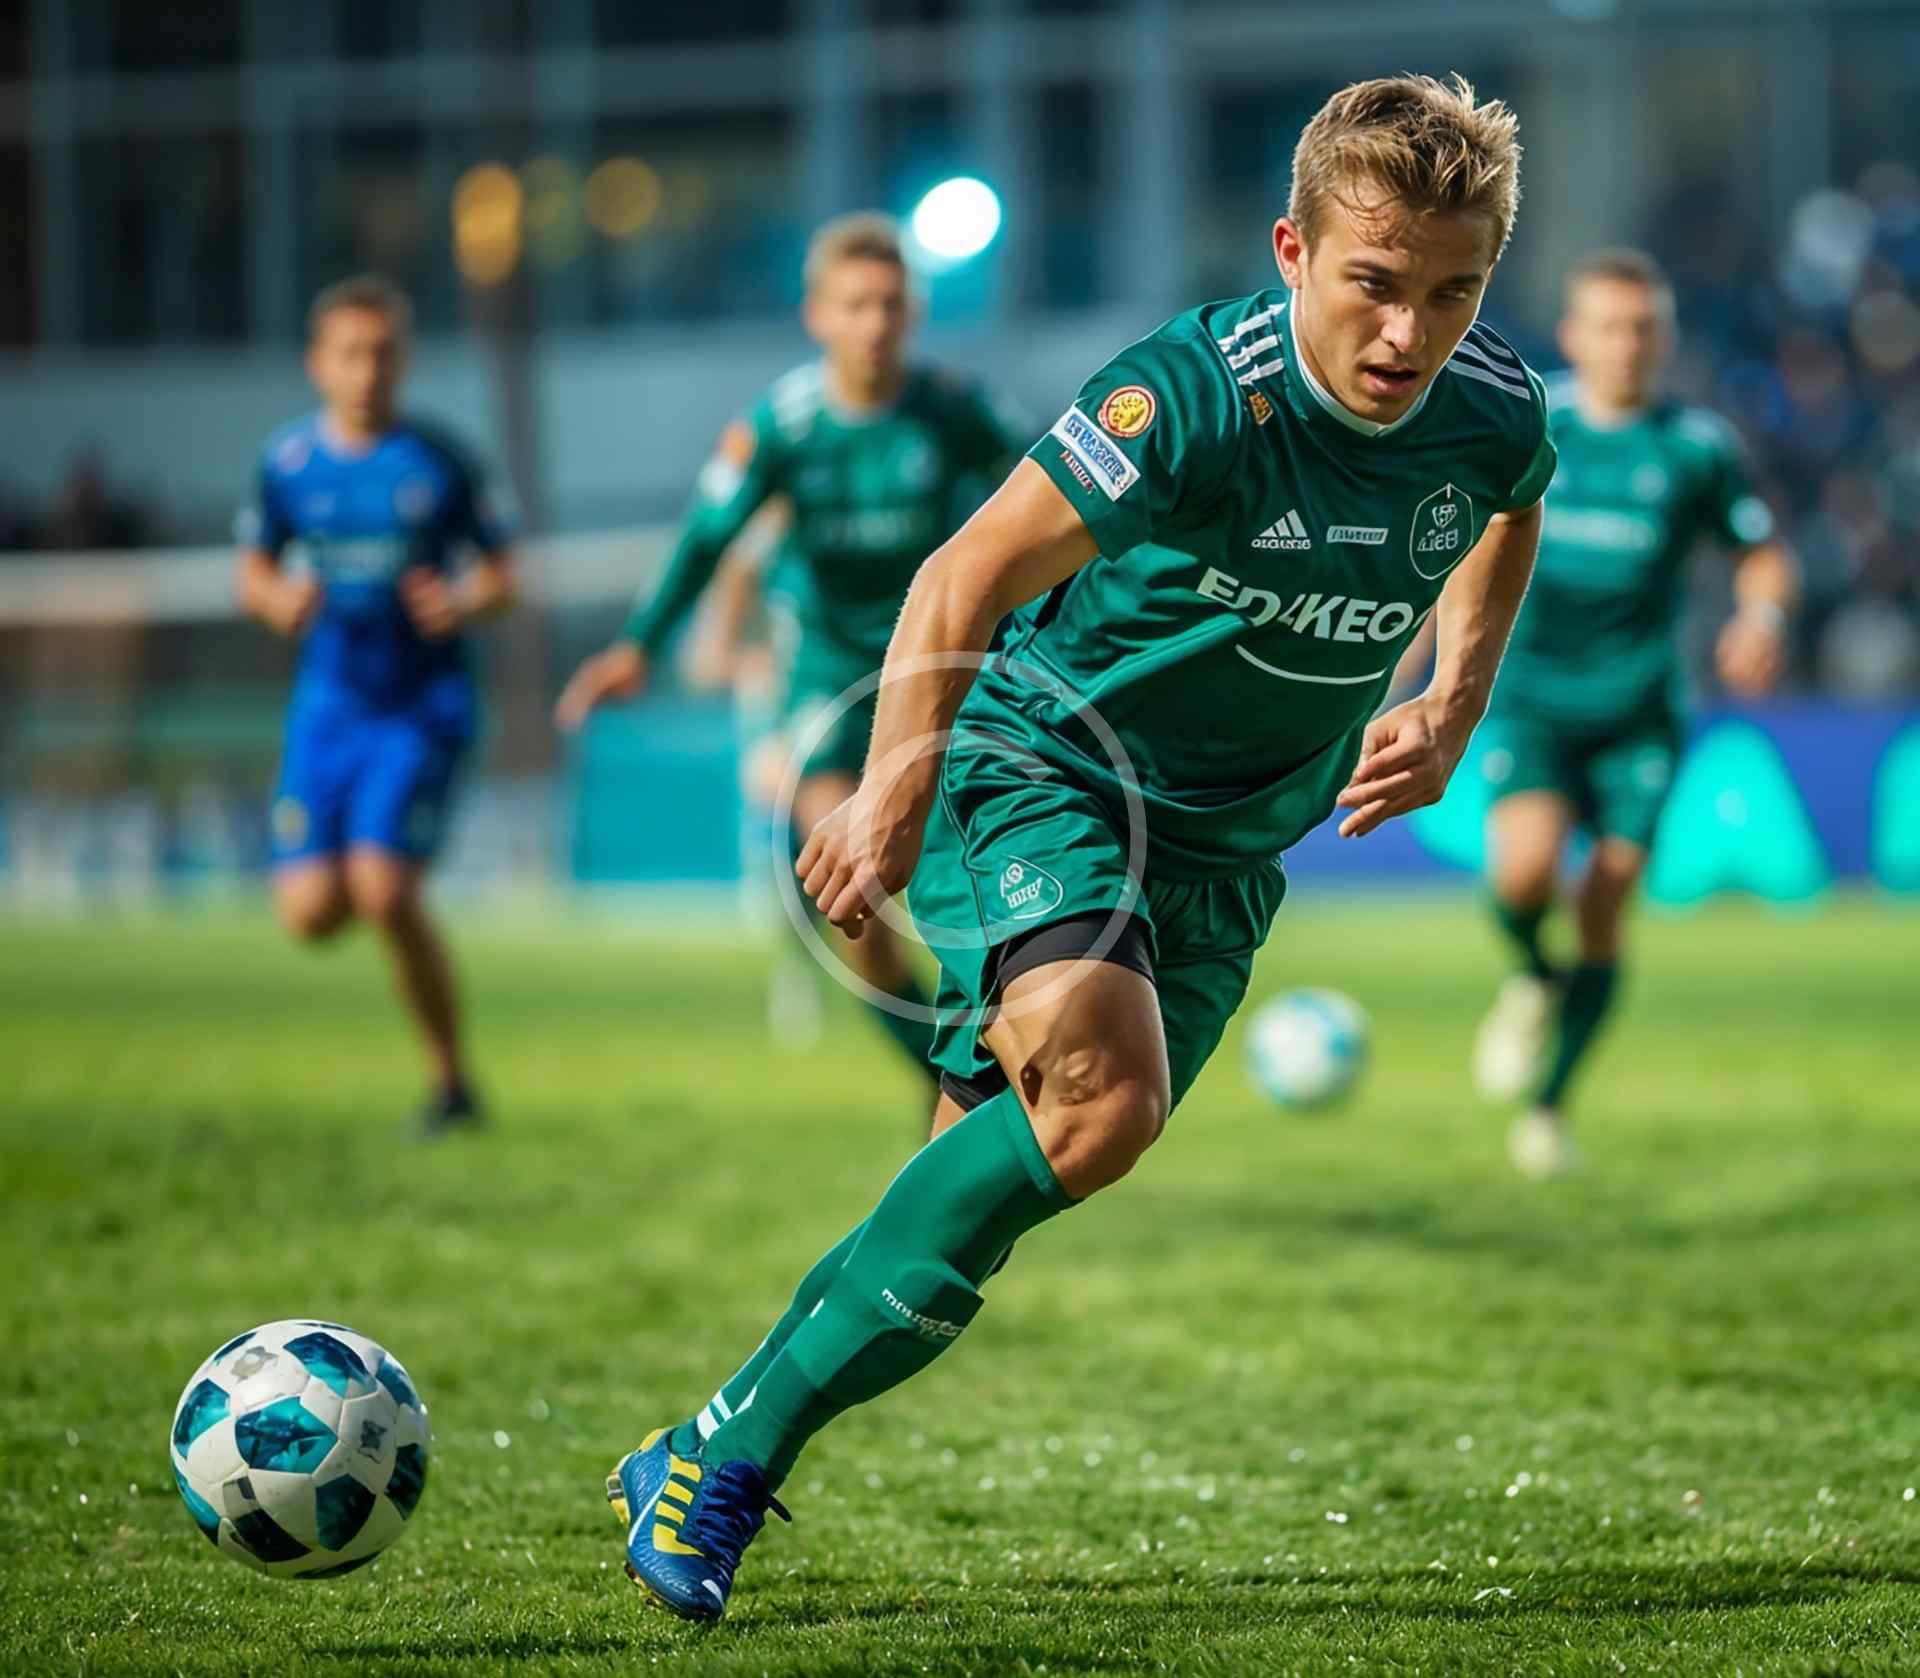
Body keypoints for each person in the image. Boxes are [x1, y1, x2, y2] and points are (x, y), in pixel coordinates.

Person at [601, 75, 1554, 1622]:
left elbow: (1511, 504)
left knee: (963, 1202)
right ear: (1293, 251)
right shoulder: (1194, 398)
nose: (1407, 333)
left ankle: (701, 1444)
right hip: (1050, 768)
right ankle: (731, 1457)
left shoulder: (1493, 405)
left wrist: (1454, 699)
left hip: (1229, 851)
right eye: (1374, 283)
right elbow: (962, 574)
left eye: (1453, 293)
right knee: (1108, 1103)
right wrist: (893, 788)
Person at [556, 213, 1027, 1087]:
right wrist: (637, 646)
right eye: (856, 304)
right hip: (826, 680)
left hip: (938, 671)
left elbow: (1052, 500)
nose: (875, 323)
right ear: (817, 315)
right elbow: (705, 538)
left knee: (965, 878)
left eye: (890, 304)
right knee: (853, 892)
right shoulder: (783, 426)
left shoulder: (953, 410)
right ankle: (945, 1079)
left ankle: (1000, 1048)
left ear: (914, 312)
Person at [1472, 249, 1797, 1178]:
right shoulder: (1537, 424)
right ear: (1574, 335)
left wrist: (1761, 618)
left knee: (1606, 901)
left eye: (1646, 328)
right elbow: (1465, 551)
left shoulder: (1696, 448)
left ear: (1668, 339)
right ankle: (1535, 974)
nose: (1628, 345)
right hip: (1533, 698)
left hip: (1639, 711)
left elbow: (1761, 553)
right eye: (1611, 327)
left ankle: (1547, 1108)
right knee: (1524, 875)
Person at [236, 276, 516, 1136]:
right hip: (327, 711)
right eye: (350, 354)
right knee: (310, 914)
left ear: (406, 361)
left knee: (385, 890)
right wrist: (276, 600)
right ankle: (361, 879)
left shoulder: (439, 461)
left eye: (383, 354)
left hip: (420, 709)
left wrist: (463, 601)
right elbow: (254, 567)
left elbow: (503, 574)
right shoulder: (289, 464)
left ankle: (452, 1086)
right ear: (318, 364)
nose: (367, 371)